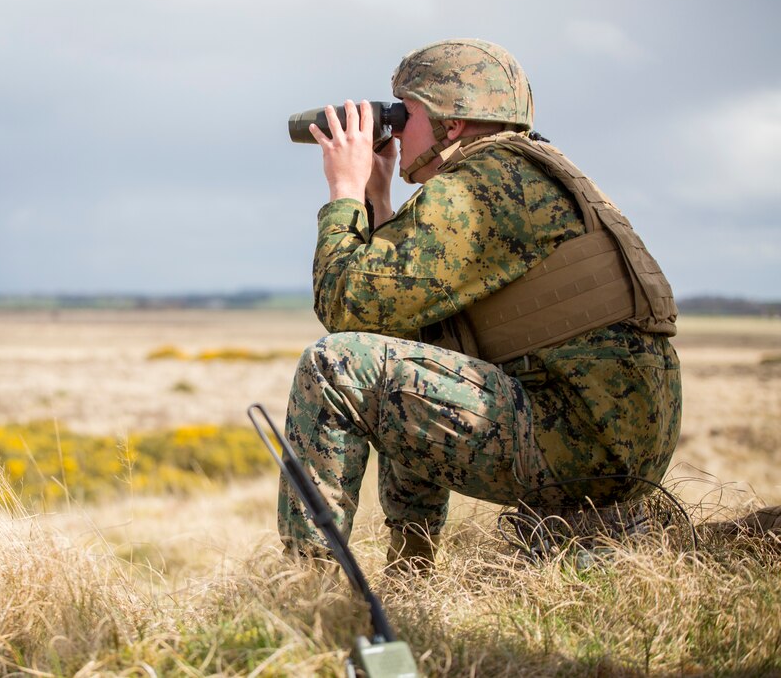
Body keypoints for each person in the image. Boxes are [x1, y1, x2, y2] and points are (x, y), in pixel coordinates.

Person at [279, 38, 681, 571]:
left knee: (335, 367)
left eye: (406, 114)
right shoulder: (524, 173)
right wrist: (378, 199)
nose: (396, 128)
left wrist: (345, 192)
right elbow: (400, 317)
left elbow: (346, 305)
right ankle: (410, 573)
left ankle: (307, 588)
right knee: (403, 351)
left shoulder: (482, 186)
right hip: (607, 442)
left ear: (454, 121)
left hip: (577, 447)